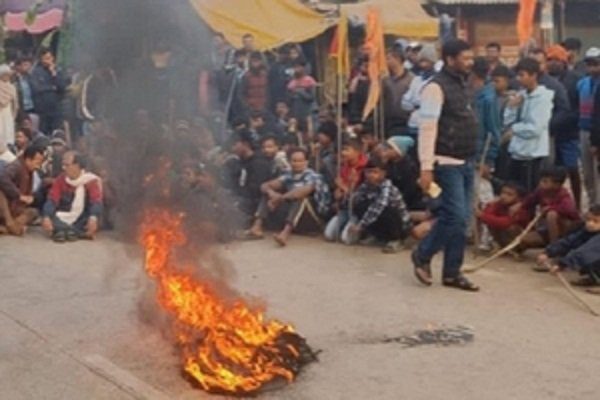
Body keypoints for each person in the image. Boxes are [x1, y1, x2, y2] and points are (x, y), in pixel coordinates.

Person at [412, 39, 479, 291]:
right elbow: (427, 128)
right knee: (454, 216)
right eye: (465, 58)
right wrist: (426, 167)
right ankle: (423, 254)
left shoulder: (464, 84)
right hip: (445, 161)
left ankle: (452, 272)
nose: (470, 63)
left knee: (461, 221)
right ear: (450, 59)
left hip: (466, 160)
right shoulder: (435, 88)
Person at [248, 147, 330, 246]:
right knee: (268, 194)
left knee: (301, 199)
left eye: (300, 161)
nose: (297, 164)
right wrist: (272, 194)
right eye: (294, 161)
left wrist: (279, 199)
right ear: (290, 162)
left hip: (313, 217)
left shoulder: (314, 176)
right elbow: (264, 186)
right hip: (293, 214)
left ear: (306, 162)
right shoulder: (289, 174)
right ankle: (257, 227)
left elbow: (300, 192)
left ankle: (285, 233)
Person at [503, 58, 554, 193]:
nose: (519, 79)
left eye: (522, 75)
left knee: (529, 193)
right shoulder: (521, 95)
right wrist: (511, 107)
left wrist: (514, 130)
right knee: (513, 192)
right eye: (518, 75)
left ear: (534, 75)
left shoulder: (543, 98)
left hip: (533, 154)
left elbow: (536, 128)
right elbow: (507, 122)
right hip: (516, 151)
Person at [345, 157, 412, 253]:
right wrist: (352, 185)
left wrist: (360, 226)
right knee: (360, 205)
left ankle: (396, 240)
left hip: (400, 224)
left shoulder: (387, 186)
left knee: (386, 210)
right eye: (368, 172)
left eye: (375, 172)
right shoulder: (366, 185)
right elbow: (353, 201)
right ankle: (379, 237)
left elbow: (379, 206)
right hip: (380, 219)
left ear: (383, 173)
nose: (371, 175)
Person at [546, 45, 582, 209]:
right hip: (549, 132)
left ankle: (578, 204)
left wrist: (563, 120)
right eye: (549, 60)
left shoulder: (574, 79)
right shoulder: (545, 80)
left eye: (555, 60)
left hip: (569, 131)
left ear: (563, 61)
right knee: (553, 173)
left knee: (572, 169)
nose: (552, 63)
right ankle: (556, 205)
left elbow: (577, 107)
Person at [41, 151, 102, 242]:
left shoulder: (91, 180)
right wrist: (46, 216)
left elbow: (96, 201)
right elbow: (52, 199)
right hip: (63, 215)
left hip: (82, 217)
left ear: (77, 165)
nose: (63, 168)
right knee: (50, 217)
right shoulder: (61, 180)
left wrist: (93, 218)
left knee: (94, 218)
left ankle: (61, 231)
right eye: (63, 165)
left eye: (67, 165)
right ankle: (75, 232)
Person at [535, 204, 600, 289]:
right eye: (588, 219)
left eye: (596, 221)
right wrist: (547, 253)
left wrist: (562, 264)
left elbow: (586, 251)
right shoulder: (586, 231)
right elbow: (568, 242)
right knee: (578, 245)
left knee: (589, 255)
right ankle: (595, 278)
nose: (590, 224)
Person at [517, 167, 581, 252]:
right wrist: (519, 205)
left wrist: (550, 208)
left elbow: (569, 210)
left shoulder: (564, 195)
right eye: (542, 180)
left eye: (545, 181)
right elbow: (528, 203)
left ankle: (554, 248)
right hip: (546, 230)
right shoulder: (540, 192)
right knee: (524, 239)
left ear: (557, 185)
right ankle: (549, 244)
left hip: (566, 229)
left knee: (552, 214)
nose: (541, 183)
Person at [324, 138, 368, 242]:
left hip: (359, 209)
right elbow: (340, 193)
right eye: (342, 150)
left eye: (346, 150)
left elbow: (360, 195)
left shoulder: (367, 168)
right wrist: (338, 192)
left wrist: (343, 187)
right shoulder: (344, 167)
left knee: (346, 239)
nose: (343, 153)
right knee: (329, 235)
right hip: (345, 207)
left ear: (357, 152)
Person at [227, 132, 273, 224]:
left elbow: (256, 190)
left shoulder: (259, 163)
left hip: (254, 203)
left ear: (245, 144)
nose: (233, 148)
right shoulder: (239, 162)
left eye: (235, 144)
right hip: (241, 198)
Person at [0, 145, 45, 235]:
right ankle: (10, 224)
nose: (38, 166)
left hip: (16, 207)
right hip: (5, 207)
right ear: (28, 160)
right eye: (37, 162)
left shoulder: (30, 172)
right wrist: (19, 195)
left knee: (34, 212)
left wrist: (29, 198)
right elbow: (2, 178)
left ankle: (9, 228)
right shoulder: (16, 166)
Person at [577, 47, 600, 206]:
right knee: (587, 171)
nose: (592, 67)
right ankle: (592, 203)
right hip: (584, 129)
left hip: (597, 132)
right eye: (589, 64)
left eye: (596, 63)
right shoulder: (582, 83)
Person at [477, 182, 529, 248]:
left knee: (511, 228)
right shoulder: (500, 204)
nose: (503, 196)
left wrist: (482, 216)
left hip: (519, 240)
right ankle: (503, 246)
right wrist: (492, 205)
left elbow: (506, 223)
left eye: (509, 194)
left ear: (519, 198)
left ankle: (514, 248)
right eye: (503, 192)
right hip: (503, 238)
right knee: (491, 223)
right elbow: (487, 214)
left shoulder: (520, 209)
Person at [402, 44, 438, 138]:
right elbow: (405, 101)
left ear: (433, 62)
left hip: (430, 125)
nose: (423, 64)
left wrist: (419, 103)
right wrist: (415, 105)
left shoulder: (438, 80)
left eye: (426, 61)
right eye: (421, 61)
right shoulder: (416, 80)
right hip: (413, 123)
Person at [30, 49, 68, 135]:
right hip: (43, 109)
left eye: (49, 58)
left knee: (57, 132)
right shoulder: (36, 72)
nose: (48, 61)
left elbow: (62, 87)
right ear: (41, 59)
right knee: (44, 132)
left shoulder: (58, 71)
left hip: (56, 108)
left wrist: (54, 74)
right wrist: (52, 87)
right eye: (45, 58)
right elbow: (37, 88)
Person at [383, 49, 413, 137]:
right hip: (389, 122)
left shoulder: (411, 79)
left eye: (388, 58)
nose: (386, 61)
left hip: (406, 121)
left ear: (398, 59)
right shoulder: (385, 80)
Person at [286, 59, 316, 127]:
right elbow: (288, 101)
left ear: (303, 68)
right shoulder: (291, 83)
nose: (297, 69)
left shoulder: (309, 80)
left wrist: (300, 92)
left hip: (307, 114)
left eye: (298, 67)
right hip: (295, 115)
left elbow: (311, 97)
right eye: (295, 67)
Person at [239, 51, 269, 116]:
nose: (256, 64)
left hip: (264, 108)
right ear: (250, 63)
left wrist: (267, 105)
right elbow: (241, 93)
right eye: (254, 61)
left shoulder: (266, 75)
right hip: (250, 109)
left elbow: (269, 92)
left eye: (257, 61)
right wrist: (246, 106)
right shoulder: (246, 76)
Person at [0, 64, 18, 147]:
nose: (6, 77)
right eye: (4, 74)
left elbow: (16, 104)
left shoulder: (12, 87)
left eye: (8, 75)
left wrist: (13, 116)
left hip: (8, 113)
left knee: (8, 134)